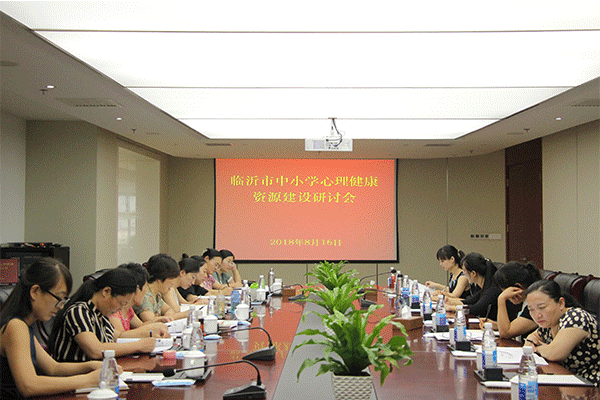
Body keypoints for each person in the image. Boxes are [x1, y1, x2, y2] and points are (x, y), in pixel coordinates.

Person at [0, 258, 105, 398]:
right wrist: (88, 380)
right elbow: (29, 385)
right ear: (35, 291)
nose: (61, 306)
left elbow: (53, 368)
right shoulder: (15, 326)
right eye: (59, 298)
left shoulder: (23, 325)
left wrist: (90, 366)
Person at [48, 267, 156, 362]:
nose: (120, 308)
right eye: (121, 303)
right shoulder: (79, 311)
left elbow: (118, 337)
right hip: (75, 376)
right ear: (106, 292)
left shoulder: (101, 315)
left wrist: (148, 334)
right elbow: (95, 350)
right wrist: (138, 345)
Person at [524, 280, 599, 387]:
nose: (537, 315)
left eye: (542, 307)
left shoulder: (576, 318)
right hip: (567, 381)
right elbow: (533, 337)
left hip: (591, 385)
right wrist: (531, 342)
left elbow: (554, 353)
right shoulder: (550, 322)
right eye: (531, 310)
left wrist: (536, 348)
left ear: (561, 303)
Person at [108, 263, 170, 338]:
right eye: (145, 286)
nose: (146, 290)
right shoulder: (114, 310)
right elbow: (121, 337)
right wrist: (151, 329)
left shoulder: (128, 309)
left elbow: (140, 325)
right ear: (137, 289)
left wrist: (157, 322)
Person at [445, 253, 512, 321]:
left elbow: (477, 308)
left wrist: (452, 308)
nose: (464, 274)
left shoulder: (493, 288)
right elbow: (469, 301)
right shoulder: (483, 287)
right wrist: (448, 300)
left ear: (473, 273)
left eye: (464, 271)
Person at [483, 261, 541, 339]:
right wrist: (496, 325)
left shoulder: (535, 307)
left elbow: (506, 333)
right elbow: (514, 327)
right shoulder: (524, 302)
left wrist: (501, 299)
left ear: (517, 287)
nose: (507, 298)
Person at [134, 253, 190, 323]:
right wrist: (185, 314)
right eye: (171, 278)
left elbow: (168, 309)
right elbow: (151, 320)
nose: (173, 283)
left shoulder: (156, 293)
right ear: (160, 278)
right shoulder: (145, 295)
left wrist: (167, 316)